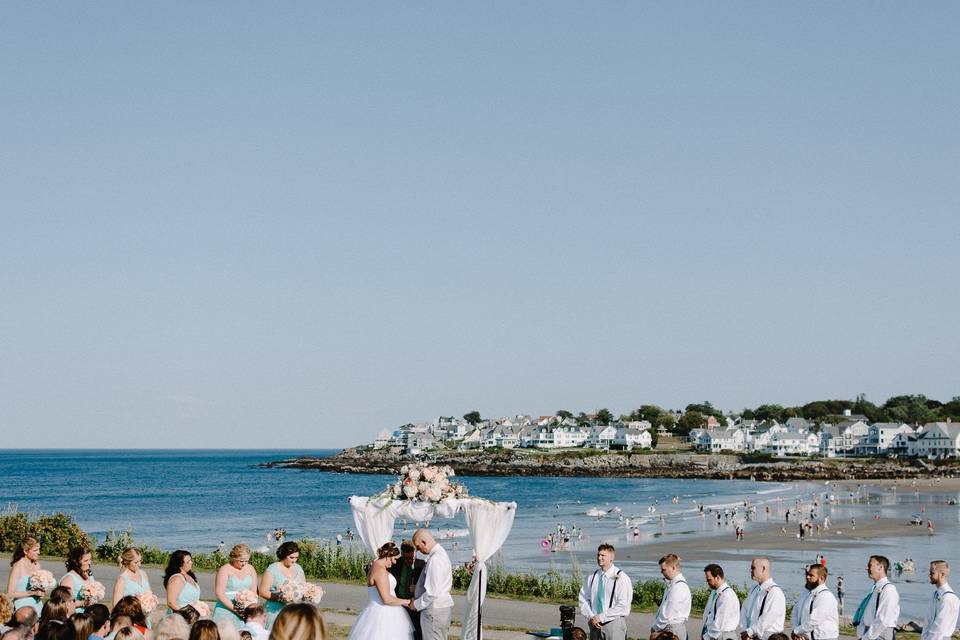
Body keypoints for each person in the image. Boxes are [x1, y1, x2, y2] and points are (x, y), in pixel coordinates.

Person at [346, 542, 413, 640]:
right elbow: (386, 599)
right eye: (394, 559)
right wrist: (407, 602)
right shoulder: (380, 570)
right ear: (388, 555)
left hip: (383, 611)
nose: (395, 562)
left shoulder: (375, 566)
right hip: (383, 615)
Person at [577, 544, 632, 640]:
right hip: (594, 624)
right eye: (598, 555)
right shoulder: (592, 577)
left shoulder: (622, 578)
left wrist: (601, 617)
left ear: (611, 558)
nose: (599, 558)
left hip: (613, 624)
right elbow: (583, 599)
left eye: (603, 555)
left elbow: (623, 606)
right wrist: (592, 617)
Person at [410, 530, 453, 640]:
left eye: (419, 547)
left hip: (434, 610)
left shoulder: (436, 559)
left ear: (424, 542)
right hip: (441, 607)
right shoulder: (441, 554)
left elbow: (432, 592)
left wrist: (416, 604)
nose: (419, 551)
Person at [259, 542, 305, 630]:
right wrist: (281, 598)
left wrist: (308, 594)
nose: (294, 560)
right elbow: (263, 592)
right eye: (291, 557)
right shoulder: (273, 569)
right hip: (275, 610)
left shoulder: (298, 568)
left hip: (295, 610)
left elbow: (303, 587)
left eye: (296, 558)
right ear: (284, 555)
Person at [854, 555, 899, 640]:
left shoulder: (888, 589)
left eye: (870, 565)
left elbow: (882, 620)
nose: (867, 568)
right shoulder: (875, 589)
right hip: (870, 633)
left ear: (880, 567)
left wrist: (866, 638)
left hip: (879, 634)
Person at [213, 545, 258, 629]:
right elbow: (219, 594)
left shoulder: (251, 569)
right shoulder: (224, 569)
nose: (244, 564)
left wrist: (249, 607)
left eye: (246, 561)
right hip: (226, 608)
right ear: (234, 558)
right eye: (241, 561)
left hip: (245, 609)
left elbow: (254, 591)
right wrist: (237, 610)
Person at [739, 557, 785, 640]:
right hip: (751, 636)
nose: (751, 571)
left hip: (769, 637)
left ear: (763, 569)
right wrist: (744, 629)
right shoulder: (754, 589)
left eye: (753, 568)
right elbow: (744, 609)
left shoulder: (775, 591)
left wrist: (750, 631)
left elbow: (769, 617)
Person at [790, 565, 838, 640]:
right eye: (807, 574)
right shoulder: (806, 594)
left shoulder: (826, 596)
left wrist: (797, 631)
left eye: (811, 575)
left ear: (821, 578)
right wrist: (796, 629)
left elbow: (815, 620)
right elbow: (795, 612)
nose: (807, 577)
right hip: (805, 636)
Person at [388, 541, 424, 640]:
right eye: (407, 558)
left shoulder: (422, 565)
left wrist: (418, 588)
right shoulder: (394, 564)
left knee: (417, 633)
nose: (411, 560)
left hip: (415, 608)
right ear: (402, 554)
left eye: (412, 557)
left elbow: (429, 587)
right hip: (398, 606)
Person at [652, 554, 691, 640]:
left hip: (672, 629)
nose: (661, 572)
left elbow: (668, 614)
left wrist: (655, 628)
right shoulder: (673, 584)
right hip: (670, 627)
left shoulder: (678, 587)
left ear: (673, 568)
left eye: (663, 569)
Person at [921, 561, 959, 640]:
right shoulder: (935, 594)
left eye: (932, 572)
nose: (929, 575)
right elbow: (928, 622)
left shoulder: (949, 598)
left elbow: (940, 628)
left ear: (942, 574)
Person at [7, 538, 45, 615]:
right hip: (22, 608)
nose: (39, 552)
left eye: (39, 550)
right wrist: (32, 593)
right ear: (25, 551)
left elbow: (39, 587)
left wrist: (42, 591)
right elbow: (10, 594)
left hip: (37, 605)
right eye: (35, 550)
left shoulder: (37, 565)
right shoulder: (18, 565)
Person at [702, 564, 740, 640]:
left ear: (718, 578)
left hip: (723, 636)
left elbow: (720, 624)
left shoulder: (727, 596)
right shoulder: (715, 592)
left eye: (709, 580)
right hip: (713, 634)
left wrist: (706, 637)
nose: (707, 583)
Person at [60, 548, 97, 613]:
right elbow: (66, 603)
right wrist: (84, 603)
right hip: (75, 616)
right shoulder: (69, 578)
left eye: (90, 559)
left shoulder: (89, 574)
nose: (89, 563)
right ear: (76, 562)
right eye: (86, 560)